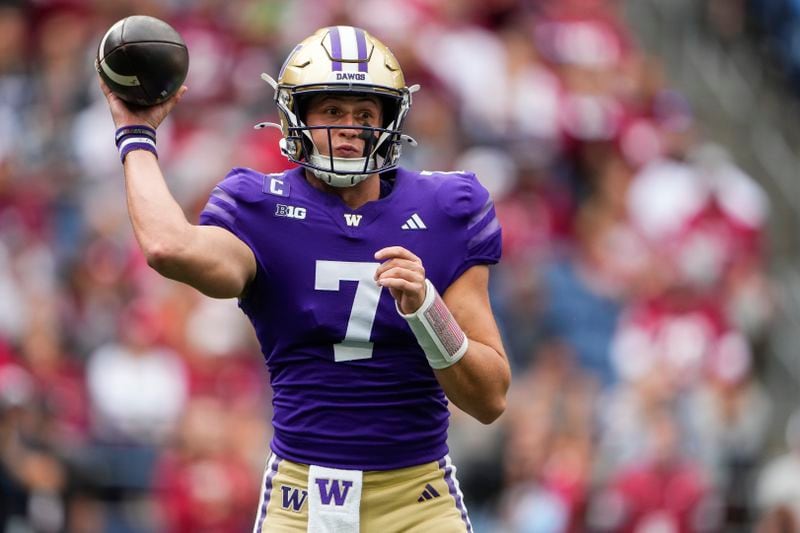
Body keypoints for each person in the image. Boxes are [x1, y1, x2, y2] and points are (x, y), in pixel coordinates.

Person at [100, 25, 509, 532]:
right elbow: (167, 247)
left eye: (365, 113)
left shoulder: (448, 208)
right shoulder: (260, 207)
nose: (350, 127)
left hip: (417, 501)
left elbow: (489, 398)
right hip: (301, 501)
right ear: (296, 116)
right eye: (332, 111)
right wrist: (136, 134)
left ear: (391, 120)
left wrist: (429, 313)